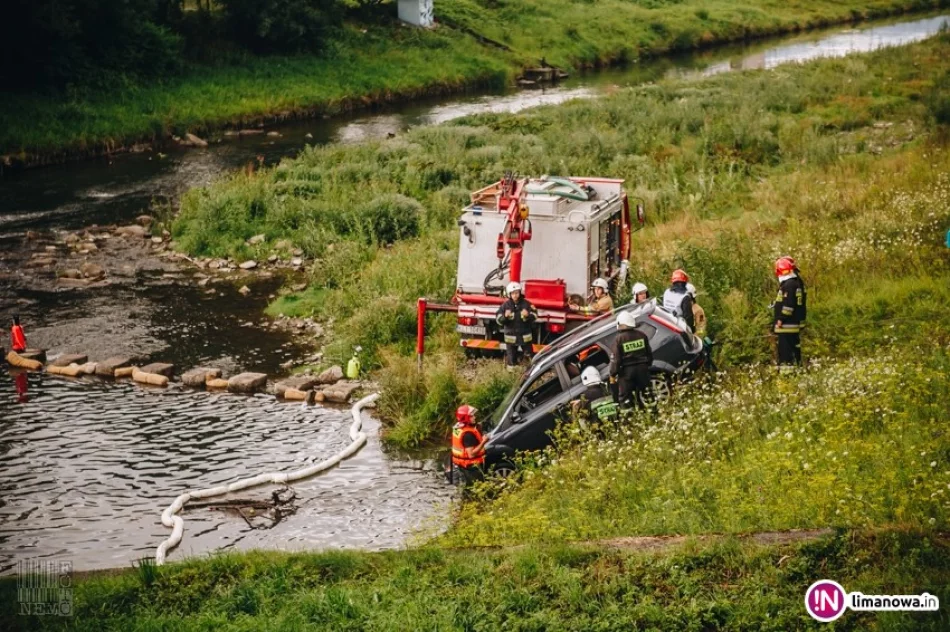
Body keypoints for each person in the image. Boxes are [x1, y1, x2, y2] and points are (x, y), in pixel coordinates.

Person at [609, 311, 653, 409]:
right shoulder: (642, 335)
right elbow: (649, 353)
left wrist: (612, 373)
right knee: (647, 393)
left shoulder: (618, 339)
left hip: (627, 373)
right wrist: (646, 366)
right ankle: (653, 413)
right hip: (643, 369)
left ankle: (629, 419)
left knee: (625, 399)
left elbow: (616, 360)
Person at [773, 256, 807, 368]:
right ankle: (797, 369)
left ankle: (787, 376)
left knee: (786, 353)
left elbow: (788, 306)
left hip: (786, 325)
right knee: (794, 350)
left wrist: (781, 319)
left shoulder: (789, 285)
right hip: (793, 323)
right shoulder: (797, 282)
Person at [496, 281, 538, 370]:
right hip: (511, 339)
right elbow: (498, 320)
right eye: (513, 293)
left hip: (525, 338)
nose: (515, 295)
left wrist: (528, 316)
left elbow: (535, 316)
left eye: (517, 293)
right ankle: (512, 376)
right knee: (511, 359)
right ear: (509, 294)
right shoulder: (505, 305)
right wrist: (505, 317)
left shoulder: (527, 304)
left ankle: (531, 374)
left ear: (520, 292)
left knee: (529, 358)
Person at [451, 405, 486, 484]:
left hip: (462, 465)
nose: (474, 417)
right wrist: (484, 441)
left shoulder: (458, 427)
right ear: (466, 418)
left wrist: (477, 427)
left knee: (468, 487)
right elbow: (471, 454)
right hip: (471, 467)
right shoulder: (468, 435)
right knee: (477, 489)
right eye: (471, 416)